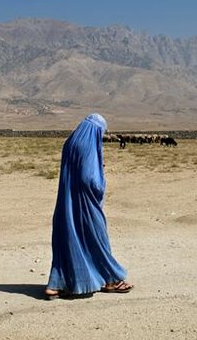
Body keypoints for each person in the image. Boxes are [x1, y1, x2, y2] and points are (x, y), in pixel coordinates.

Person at [44, 113, 133, 299]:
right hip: (85, 203)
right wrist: (100, 185)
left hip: (66, 203)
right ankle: (111, 280)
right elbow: (89, 178)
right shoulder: (88, 144)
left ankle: (56, 286)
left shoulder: (70, 143)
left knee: (68, 239)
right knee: (97, 237)